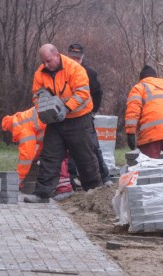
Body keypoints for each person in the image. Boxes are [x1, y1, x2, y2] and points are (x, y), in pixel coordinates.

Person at [23, 43, 102, 204]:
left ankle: (94, 192)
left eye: (49, 61)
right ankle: (42, 193)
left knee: (85, 156)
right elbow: (36, 96)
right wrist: (43, 111)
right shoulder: (40, 73)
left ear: (57, 55)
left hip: (78, 119)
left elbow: (83, 94)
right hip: (55, 121)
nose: (46, 65)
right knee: (49, 156)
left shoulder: (74, 69)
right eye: (43, 62)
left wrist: (66, 109)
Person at [1, 107, 73, 201]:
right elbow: (41, 146)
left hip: (60, 125)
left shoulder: (21, 128)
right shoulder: (24, 119)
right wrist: (36, 158)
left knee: (57, 157)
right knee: (57, 157)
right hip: (62, 121)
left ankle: (65, 189)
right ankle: (64, 186)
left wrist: (18, 179)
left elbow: (26, 157)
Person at [67, 43, 113, 187]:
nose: (75, 61)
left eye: (78, 58)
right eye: (72, 58)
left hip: (84, 117)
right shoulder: (62, 71)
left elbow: (98, 93)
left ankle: (104, 178)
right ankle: (71, 178)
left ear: (82, 58)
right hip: (67, 116)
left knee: (93, 146)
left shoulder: (89, 73)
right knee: (68, 148)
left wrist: (93, 111)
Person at [125, 65, 163, 159]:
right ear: (155, 77)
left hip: (152, 133)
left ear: (141, 78)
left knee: (148, 166)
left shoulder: (139, 87)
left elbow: (133, 110)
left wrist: (130, 132)